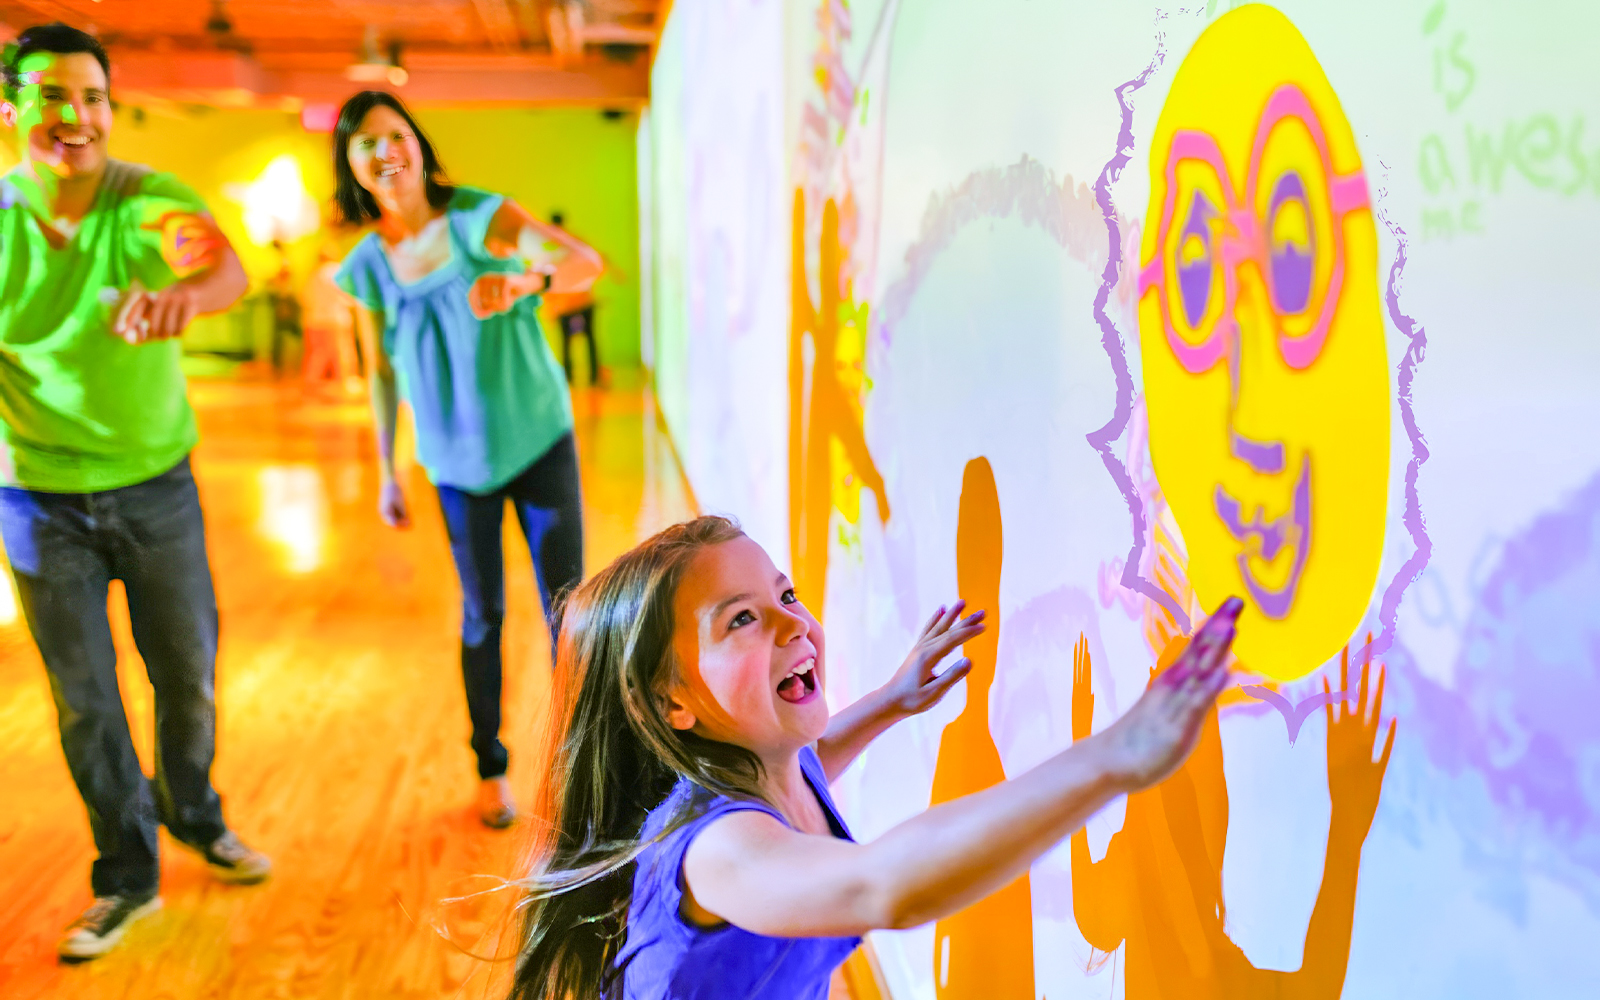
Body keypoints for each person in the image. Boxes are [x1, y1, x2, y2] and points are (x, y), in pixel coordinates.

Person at [511, 516, 1241, 999]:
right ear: (673, 701)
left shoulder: (774, 770)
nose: (793, 622)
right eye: (743, 619)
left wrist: (893, 699)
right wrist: (1111, 759)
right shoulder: (719, 851)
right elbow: (880, 886)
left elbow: (817, 759)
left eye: (787, 594)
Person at [0, 23, 272, 963]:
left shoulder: (147, 198)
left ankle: (193, 812)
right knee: (85, 699)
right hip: (37, 498)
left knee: (186, 673)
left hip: (158, 487)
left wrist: (189, 296)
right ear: (11, 107)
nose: (76, 116)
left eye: (94, 98)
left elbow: (222, 265)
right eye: (52, 96)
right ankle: (126, 874)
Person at [330, 91, 602, 828]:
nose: (386, 152)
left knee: (569, 611)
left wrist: (526, 279)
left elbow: (583, 264)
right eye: (365, 144)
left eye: (395, 135)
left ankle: (585, 767)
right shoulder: (366, 266)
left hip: (538, 439)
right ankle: (490, 766)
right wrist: (385, 469)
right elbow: (379, 372)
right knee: (482, 615)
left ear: (418, 144)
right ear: (351, 165)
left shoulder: (482, 218)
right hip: (454, 462)